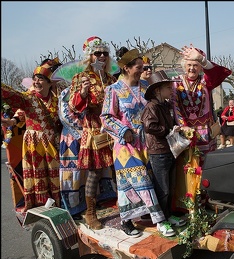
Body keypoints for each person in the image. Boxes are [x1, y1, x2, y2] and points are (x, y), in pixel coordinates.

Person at [101, 48, 165, 237]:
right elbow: (106, 117)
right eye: (138, 67)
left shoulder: (146, 88)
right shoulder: (113, 90)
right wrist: (124, 130)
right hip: (125, 146)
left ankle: (144, 215)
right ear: (127, 68)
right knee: (133, 181)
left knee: (151, 179)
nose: (142, 70)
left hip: (148, 142)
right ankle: (134, 220)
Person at [170, 44, 231, 212]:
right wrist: (184, 129)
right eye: (189, 64)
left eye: (196, 65)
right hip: (187, 135)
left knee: (206, 169)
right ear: (184, 65)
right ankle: (190, 206)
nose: (192, 68)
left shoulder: (205, 82)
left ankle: (207, 201)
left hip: (206, 134)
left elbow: (220, 73)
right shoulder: (175, 83)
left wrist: (203, 60)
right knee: (189, 170)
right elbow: (175, 107)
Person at [1, 58, 63, 211]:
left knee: (56, 176)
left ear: (50, 83)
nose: (36, 82)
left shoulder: (57, 101)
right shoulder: (28, 98)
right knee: (38, 177)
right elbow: (11, 95)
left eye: (40, 79)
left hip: (53, 143)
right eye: (34, 79)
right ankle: (41, 206)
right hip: (35, 145)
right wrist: (11, 122)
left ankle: (58, 204)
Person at [68, 36, 117, 230]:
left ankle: (126, 206)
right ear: (90, 56)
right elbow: (73, 106)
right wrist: (83, 94)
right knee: (95, 172)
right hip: (93, 126)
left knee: (118, 167)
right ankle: (90, 213)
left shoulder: (112, 78)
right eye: (98, 53)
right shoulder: (81, 78)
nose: (102, 56)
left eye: (105, 53)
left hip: (113, 127)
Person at [142, 70, 187, 236]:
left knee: (170, 186)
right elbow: (149, 126)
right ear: (157, 90)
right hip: (158, 151)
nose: (171, 90)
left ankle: (168, 215)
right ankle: (160, 221)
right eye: (168, 87)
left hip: (168, 149)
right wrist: (168, 130)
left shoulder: (165, 105)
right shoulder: (152, 107)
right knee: (162, 188)